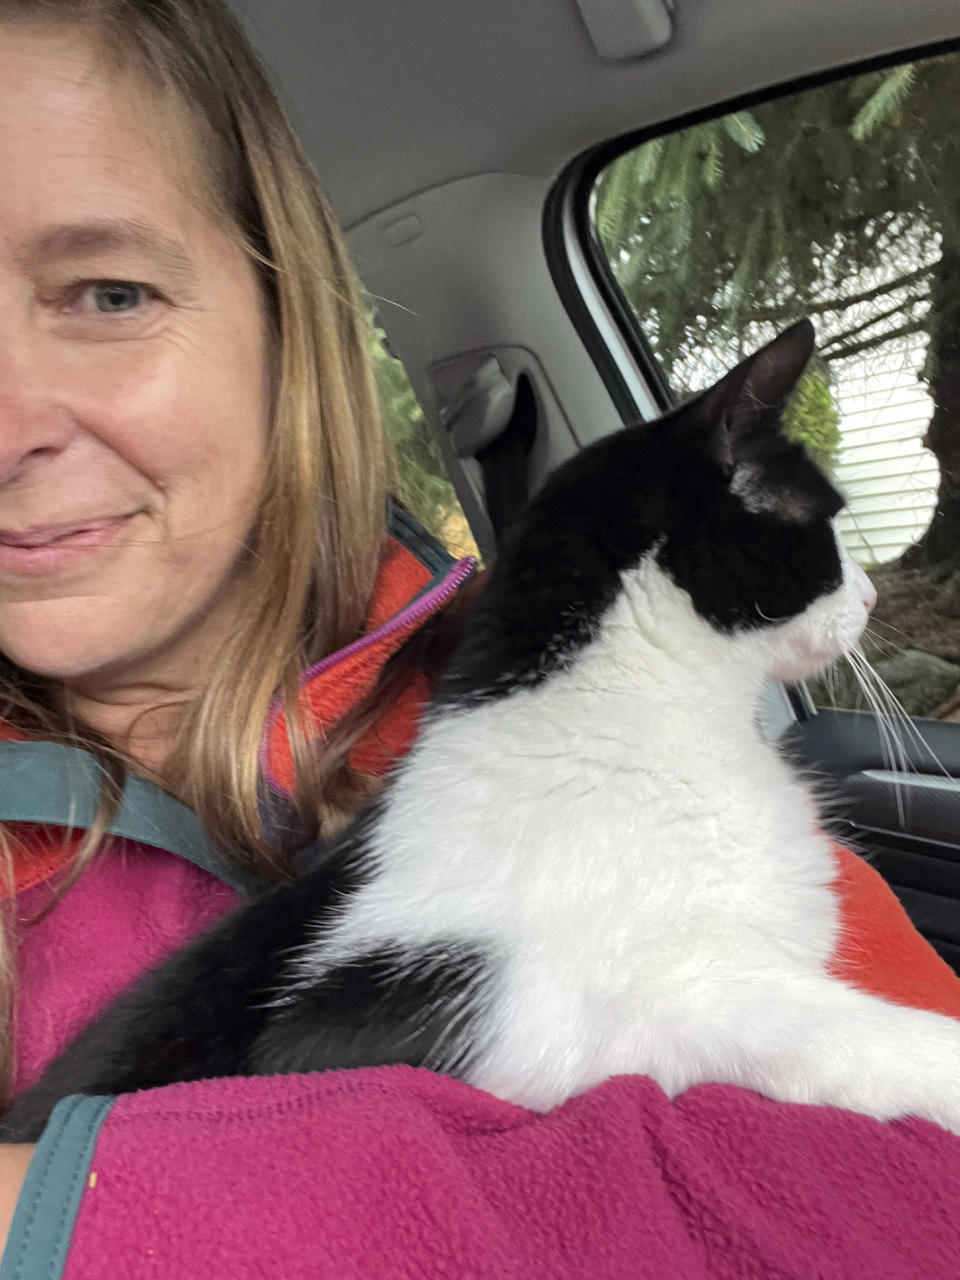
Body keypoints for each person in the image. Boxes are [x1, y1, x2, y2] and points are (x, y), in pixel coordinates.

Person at [0, 3, 959, 1277]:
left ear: (288, 328)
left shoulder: (600, 709)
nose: (9, 425)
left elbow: (922, 1187)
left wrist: (58, 1208)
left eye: (107, 293)